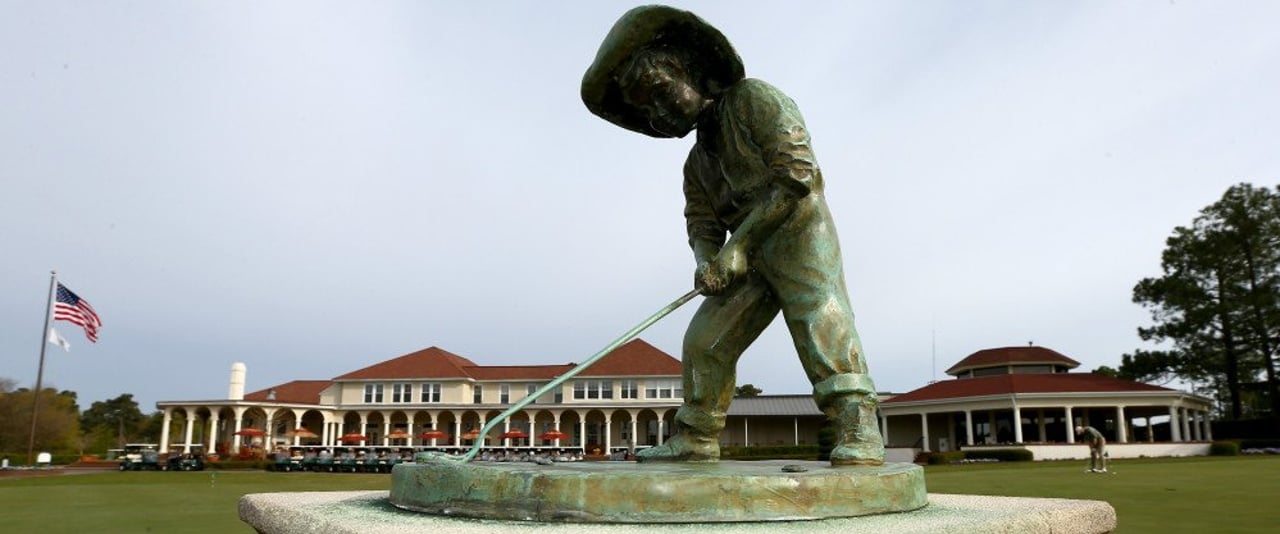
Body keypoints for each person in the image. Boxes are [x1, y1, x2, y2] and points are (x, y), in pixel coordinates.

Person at [582, 5, 883, 466]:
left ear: (693, 74)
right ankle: (697, 436)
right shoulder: (696, 163)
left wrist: (737, 246)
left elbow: (797, 175)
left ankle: (857, 426)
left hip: (798, 229)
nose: (658, 113)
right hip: (746, 255)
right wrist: (707, 260)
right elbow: (702, 223)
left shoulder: (753, 99)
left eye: (661, 93)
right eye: (646, 109)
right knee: (705, 341)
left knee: (819, 317)